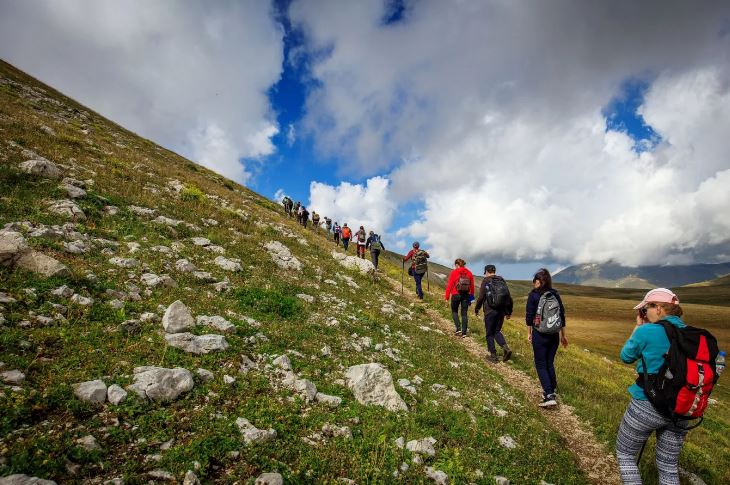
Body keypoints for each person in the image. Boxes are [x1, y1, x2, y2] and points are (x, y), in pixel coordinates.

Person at [615, 288, 691, 485]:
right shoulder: (690, 334)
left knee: (625, 454)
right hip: (681, 409)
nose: (644, 313)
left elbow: (626, 356)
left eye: (645, 309)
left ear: (658, 308)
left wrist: (638, 327)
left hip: (647, 403)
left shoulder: (647, 331)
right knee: (668, 466)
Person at [526, 268, 568, 407]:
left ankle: (549, 395)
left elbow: (529, 316)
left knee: (540, 364)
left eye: (535, 281)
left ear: (538, 281)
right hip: (554, 334)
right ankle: (551, 388)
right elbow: (561, 315)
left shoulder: (533, 295)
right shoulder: (554, 294)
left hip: (540, 334)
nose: (534, 283)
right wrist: (563, 335)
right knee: (549, 362)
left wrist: (529, 333)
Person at [475, 264, 514, 362]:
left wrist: (477, 308)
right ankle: (506, 348)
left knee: (489, 333)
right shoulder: (501, 280)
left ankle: (493, 355)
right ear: (494, 271)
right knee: (496, 331)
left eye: (485, 272)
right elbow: (509, 298)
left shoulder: (486, 280)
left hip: (490, 310)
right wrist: (508, 312)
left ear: (486, 272)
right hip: (501, 311)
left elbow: (481, 297)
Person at [444, 259, 474, 336]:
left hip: (455, 294)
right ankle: (464, 332)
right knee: (464, 313)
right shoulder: (469, 273)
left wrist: (447, 297)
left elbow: (449, 285)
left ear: (457, 265)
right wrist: (471, 299)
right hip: (466, 295)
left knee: (454, 311)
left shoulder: (454, 272)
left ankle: (458, 329)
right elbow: (472, 287)